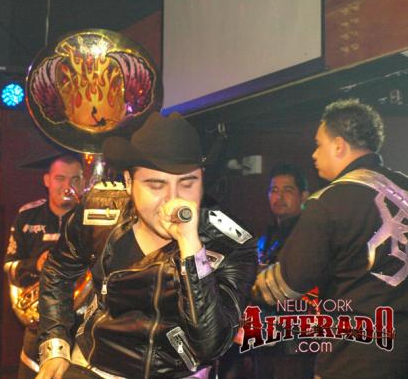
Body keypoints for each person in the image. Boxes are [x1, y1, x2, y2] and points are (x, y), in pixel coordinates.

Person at [36, 112, 257, 379]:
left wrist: (191, 246)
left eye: (187, 184)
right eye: (156, 185)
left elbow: (210, 343)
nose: (173, 200)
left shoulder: (229, 243)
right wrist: (55, 346)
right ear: (129, 183)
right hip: (96, 367)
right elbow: (58, 269)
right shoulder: (100, 212)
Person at [253, 98, 408, 378]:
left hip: (354, 361)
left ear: (339, 146)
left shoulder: (330, 201)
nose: (314, 154)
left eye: (319, 144)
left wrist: (244, 283)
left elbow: (288, 282)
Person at [4, 154, 83, 379]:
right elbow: (9, 267)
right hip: (39, 323)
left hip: (84, 326)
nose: (68, 186)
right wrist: (36, 264)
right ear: (47, 180)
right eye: (60, 178)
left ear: (84, 182)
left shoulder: (93, 218)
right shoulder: (27, 216)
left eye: (75, 179)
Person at [250, 163, 315, 379]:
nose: (279, 197)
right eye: (274, 190)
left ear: (303, 195)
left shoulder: (309, 233)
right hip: (266, 335)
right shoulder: (268, 234)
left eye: (287, 190)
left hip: (296, 339)